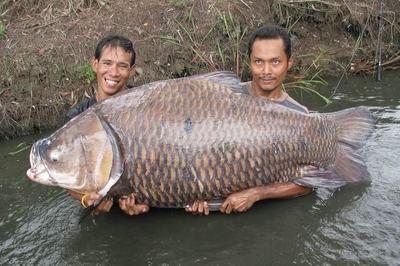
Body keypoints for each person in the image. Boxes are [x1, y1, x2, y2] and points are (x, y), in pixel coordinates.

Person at [186, 25, 313, 215]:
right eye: (258, 62)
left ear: (289, 63)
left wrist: (256, 194)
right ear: (249, 62)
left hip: (269, 219)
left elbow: (310, 183)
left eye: (275, 62)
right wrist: (194, 192)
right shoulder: (223, 97)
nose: (266, 71)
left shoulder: (300, 116)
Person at [65, 35, 149, 216]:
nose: (114, 72)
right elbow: (67, 174)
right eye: (107, 63)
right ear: (95, 64)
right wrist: (85, 199)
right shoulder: (77, 117)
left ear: (132, 70)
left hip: (146, 200)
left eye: (122, 66)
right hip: (104, 208)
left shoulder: (145, 107)